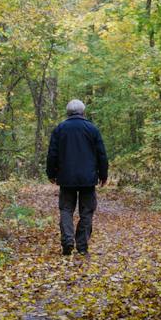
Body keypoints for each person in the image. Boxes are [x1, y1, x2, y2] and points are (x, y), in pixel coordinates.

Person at [45, 99, 108, 256]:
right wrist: (103, 174)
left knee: (66, 209)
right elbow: (101, 154)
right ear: (83, 112)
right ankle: (82, 245)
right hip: (88, 178)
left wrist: (51, 173)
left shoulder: (60, 129)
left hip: (66, 178)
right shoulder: (92, 129)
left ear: (68, 112)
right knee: (87, 211)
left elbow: (52, 153)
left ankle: (67, 240)